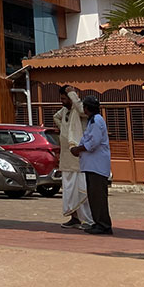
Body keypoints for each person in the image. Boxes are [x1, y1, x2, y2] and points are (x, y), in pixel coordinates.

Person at [70, 95, 113, 235]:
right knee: (94, 196)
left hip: (97, 166)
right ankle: (98, 222)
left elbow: (93, 143)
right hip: (91, 165)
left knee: (98, 196)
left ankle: (103, 224)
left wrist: (78, 149)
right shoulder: (92, 121)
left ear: (86, 108)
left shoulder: (96, 121)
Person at [54, 85, 92, 228]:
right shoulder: (64, 111)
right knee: (69, 190)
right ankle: (74, 218)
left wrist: (73, 94)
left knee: (81, 190)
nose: (62, 101)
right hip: (66, 158)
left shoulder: (79, 109)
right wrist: (64, 131)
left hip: (78, 159)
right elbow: (56, 117)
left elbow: (83, 110)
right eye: (61, 98)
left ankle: (87, 220)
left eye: (64, 98)